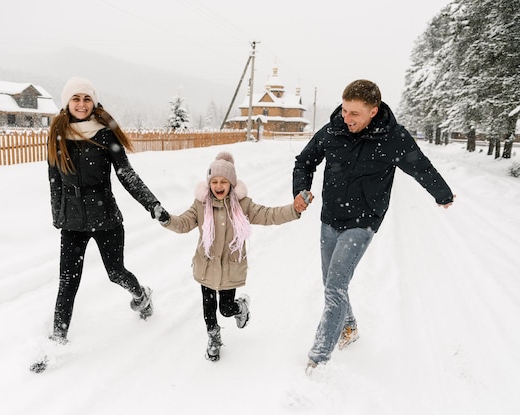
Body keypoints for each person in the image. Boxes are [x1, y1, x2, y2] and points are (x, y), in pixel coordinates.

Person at [292, 80, 455, 375]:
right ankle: (350, 328)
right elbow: (305, 161)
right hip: (330, 218)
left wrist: (442, 194)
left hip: (363, 221)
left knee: (335, 287)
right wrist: (300, 190)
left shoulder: (392, 138)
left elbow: (422, 167)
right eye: (344, 110)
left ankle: (318, 358)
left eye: (355, 113)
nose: (347, 118)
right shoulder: (332, 131)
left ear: (373, 111)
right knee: (332, 283)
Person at [44, 77, 169, 343]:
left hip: (105, 218)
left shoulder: (104, 133)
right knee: (68, 281)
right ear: (67, 102)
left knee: (116, 273)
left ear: (94, 102)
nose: (81, 104)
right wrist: (59, 215)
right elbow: (54, 178)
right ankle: (58, 338)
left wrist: (152, 204)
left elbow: (126, 173)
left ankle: (140, 295)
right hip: (73, 223)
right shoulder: (57, 135)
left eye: (86, 98)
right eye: (76, 99)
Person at [159, 151, 306, 361]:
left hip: (230, 268)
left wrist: (293, 209)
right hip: (207, 265)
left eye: (224, 182)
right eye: (214, 181)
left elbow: (269, 214)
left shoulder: (243, 205)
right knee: (209, 309)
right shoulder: (200, 205)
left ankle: (240, 307)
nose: (218, 186)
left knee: (226, 309)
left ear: (232, 183)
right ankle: (214, 338)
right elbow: (182, 223)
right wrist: (166, 219)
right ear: (209, 183)